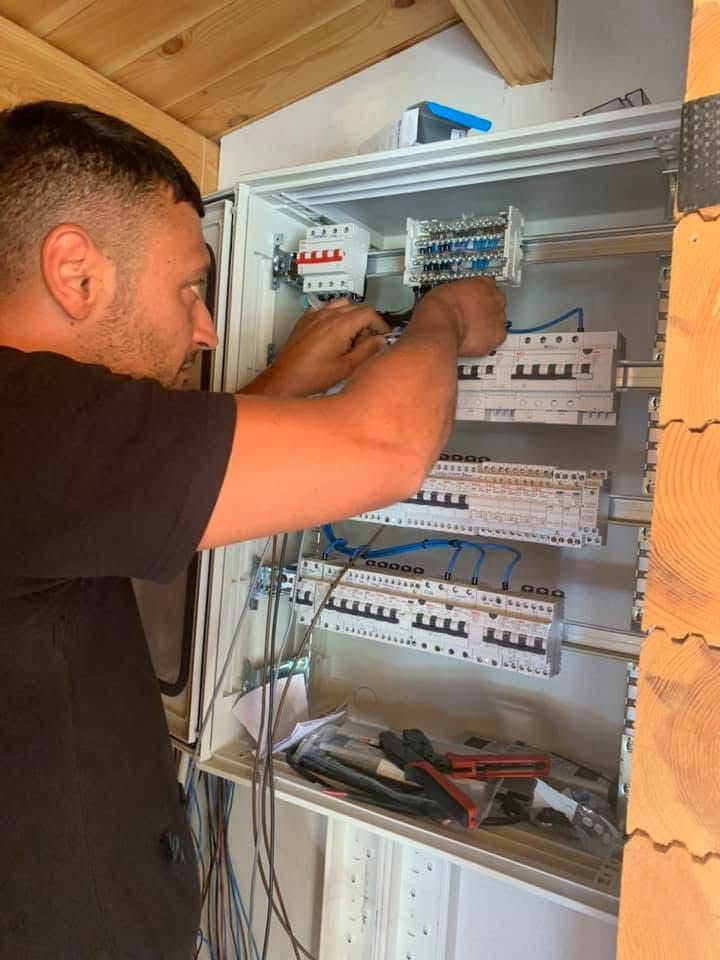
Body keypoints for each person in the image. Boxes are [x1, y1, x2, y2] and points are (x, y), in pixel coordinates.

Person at [0, 101, 506, 959]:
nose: (205, 326)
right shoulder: (27, 420)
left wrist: (278, 386)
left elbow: (130, 496)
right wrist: (447, 320)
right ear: (76, 272)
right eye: (190, 285)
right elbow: (386, 446)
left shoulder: (41, 446)